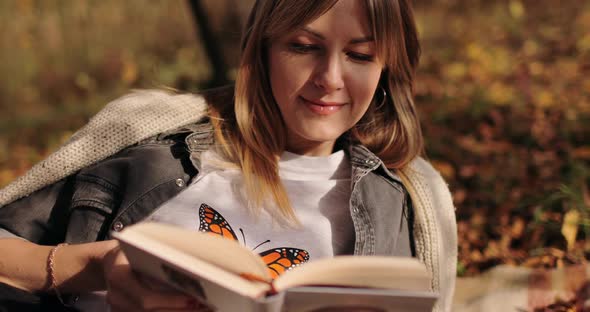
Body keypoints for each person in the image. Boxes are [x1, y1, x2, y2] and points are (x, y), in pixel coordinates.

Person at [0, 0, 457, 311]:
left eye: (360, 55)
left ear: (387, 67)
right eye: (303, 47)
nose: (330, 78)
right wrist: (93, 266)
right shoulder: (150, 145)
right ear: (263, 50)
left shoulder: (412, 201)